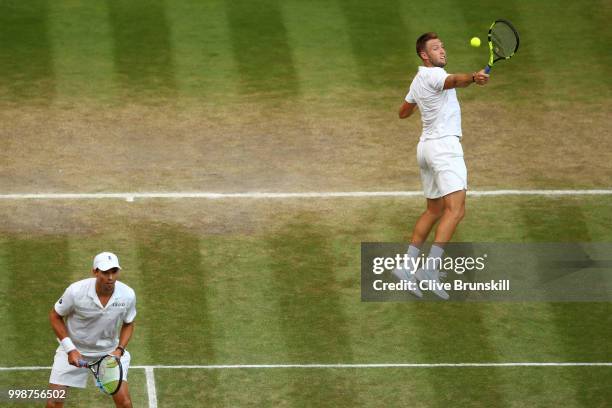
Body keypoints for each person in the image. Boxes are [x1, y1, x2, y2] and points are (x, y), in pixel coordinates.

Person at [393, 32, 489, 299]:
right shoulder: (435, 76)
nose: (442, 51)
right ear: (425, 55)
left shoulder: (419, 79)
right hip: (444, 148)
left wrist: (423, 102)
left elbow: (403, 112)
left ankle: (406, 267)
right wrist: (473, 77)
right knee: (456, 210)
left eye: (443, 47)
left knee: (434, 210)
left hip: (425, 148)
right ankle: (429, 270)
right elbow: (453, 80)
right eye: (436, 49)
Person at [46, 252, 136, 408]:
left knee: (125, 403)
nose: (110, 277)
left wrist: (119, 350)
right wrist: (70, 350)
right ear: (95, 272)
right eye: (105, 272)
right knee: (53, 402)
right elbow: (55, 316)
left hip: (108, 355)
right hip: (74, 349)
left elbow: (129, 323)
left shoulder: (127, 295)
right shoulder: (75, 291)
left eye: (114, 272)